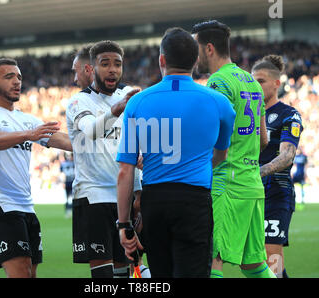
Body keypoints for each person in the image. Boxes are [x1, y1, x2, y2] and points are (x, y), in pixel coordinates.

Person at [116, 27, 236, 278]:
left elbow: (125, 170)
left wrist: (124, 225)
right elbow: (221, 156)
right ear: (195, 61)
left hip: (154, 202)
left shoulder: (138, 102)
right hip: (194, 201)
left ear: (162, 60)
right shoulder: (219, 103)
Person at [0, 58, 72, 278]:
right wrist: (28, 135)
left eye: (19, 77)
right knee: (21, 273)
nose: (17, 82)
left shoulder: (26, 119)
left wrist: (109, 142)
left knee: (31, 274)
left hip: (26, 208)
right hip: (0, 207)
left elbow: (65, 141)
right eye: (9, 77)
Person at [192, 20, 275, 278]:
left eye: (195, 48)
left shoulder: (217, 82)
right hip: (252, 184)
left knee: (212, 258)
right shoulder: (251, 82)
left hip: (227, 184)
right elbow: (263, 140)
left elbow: (213, 135)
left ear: (208, 48)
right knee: (254, 266)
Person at [66, 40, 142, 278]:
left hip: (125, 198)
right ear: (92, 68)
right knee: (103, 277)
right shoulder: (80, 101)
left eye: (117, 64)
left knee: (125, 272)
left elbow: (142, 141)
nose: (112, 70)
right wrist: (117, 109)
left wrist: (139, 191)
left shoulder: (130, 97)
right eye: (105, 64)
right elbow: (91, 131)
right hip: (94, 196)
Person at [253, 54, 304, 278]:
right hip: (247, 193)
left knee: (271, 258)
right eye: (253, 81)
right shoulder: (247, 115)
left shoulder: (288, 115)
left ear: (276, 83)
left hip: (275, 193)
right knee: (253, 261)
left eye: (261, 81)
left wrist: (259, 171)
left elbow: (287, 155)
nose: (256, 86)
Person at [59, 152, 75, 218]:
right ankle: (67, 211)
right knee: (67, 198)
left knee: (72, 198)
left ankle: (71, 211)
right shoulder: (65, 164)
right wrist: (63, 182)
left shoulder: (66, 163)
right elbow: (62, 174)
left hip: (73, 182)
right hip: (67, 182)